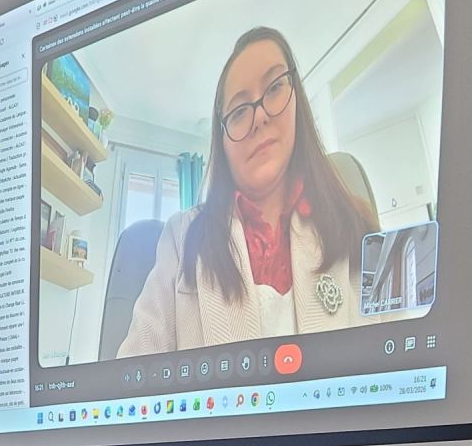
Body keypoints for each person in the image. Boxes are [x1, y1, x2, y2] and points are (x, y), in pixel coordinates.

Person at [117, 27, 378, 356]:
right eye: (239, 111)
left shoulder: (359, 225)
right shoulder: (180, 238)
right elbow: (134, 368)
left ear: (296, 98)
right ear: (222, 140)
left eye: (274, 87)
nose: (259, 117)